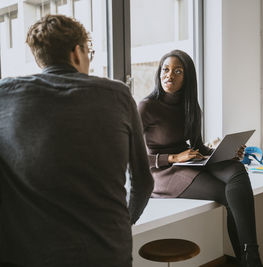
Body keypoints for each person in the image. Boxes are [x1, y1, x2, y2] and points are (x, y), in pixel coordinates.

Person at [0, 15, 153, 267]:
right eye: (89, 52)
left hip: (28, 254)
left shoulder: (5, 96)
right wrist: (123, 224)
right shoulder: (117, 95)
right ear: (77, 52)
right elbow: (143, 181)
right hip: (106, 251)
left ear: (40, 57)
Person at [138, 50, 263, 267]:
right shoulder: (146, 107)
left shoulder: (191, 107)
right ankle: (251, 261)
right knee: (228, 194)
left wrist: (227, 153)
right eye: (165, 70)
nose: (169, 75)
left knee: (236, 170)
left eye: (177, 71)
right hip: (161, 172)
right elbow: (132, 155)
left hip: (187, 161)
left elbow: (198, 147)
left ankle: (250, 257)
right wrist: (174, 157)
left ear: (187, 77)